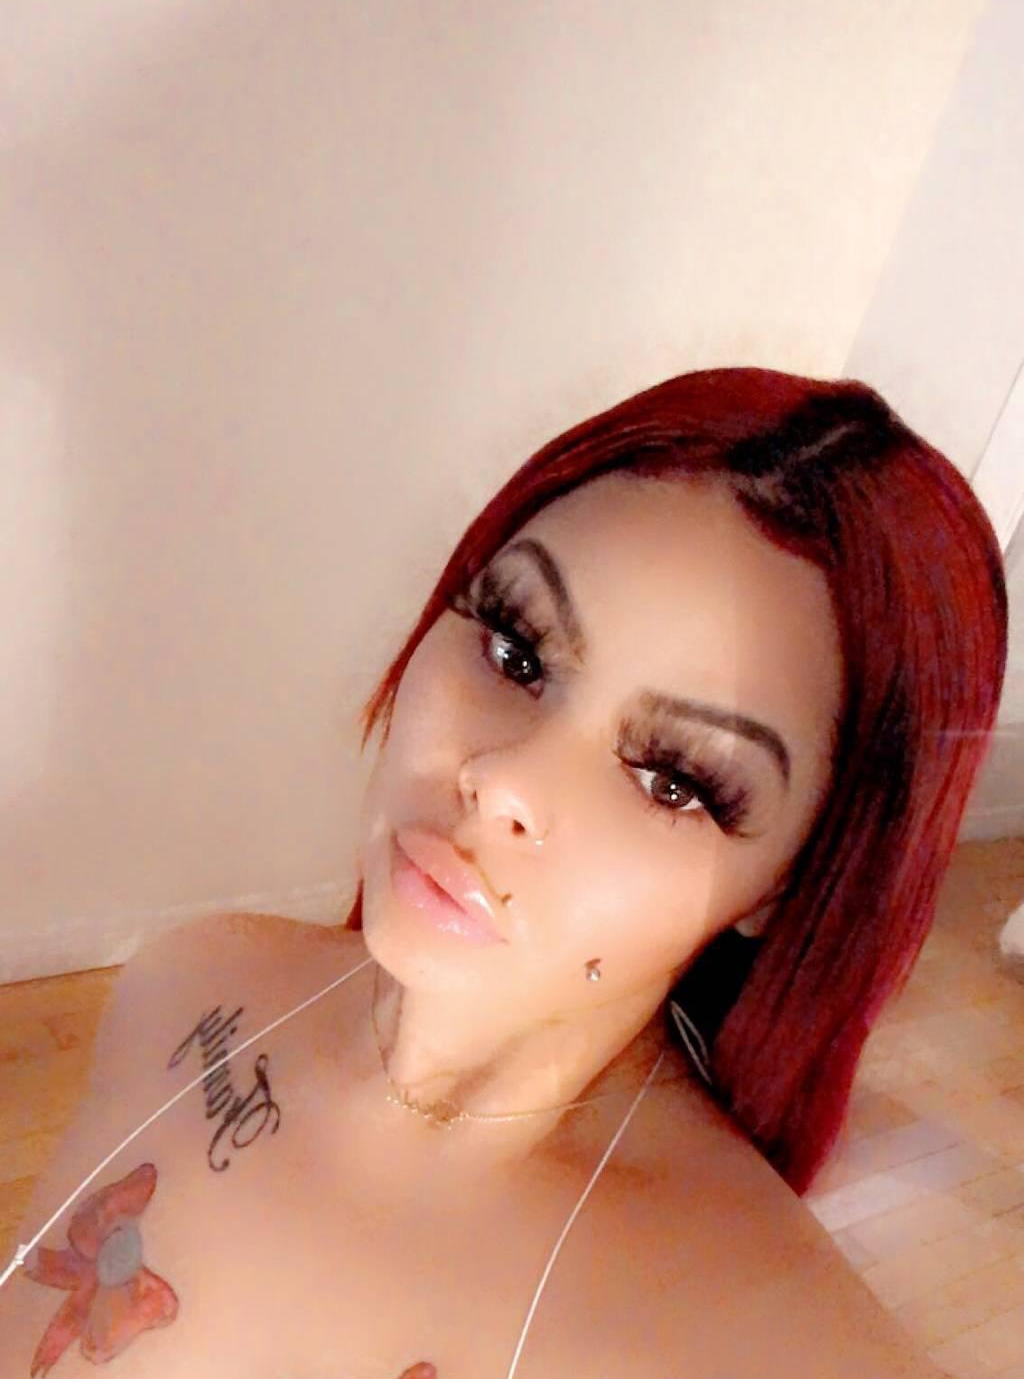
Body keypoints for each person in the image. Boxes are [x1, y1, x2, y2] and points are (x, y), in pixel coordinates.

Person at [3, 367, 1006, 1378]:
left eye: (673, 780)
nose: (504, 781)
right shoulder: (185, 982)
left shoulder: (782, 1349)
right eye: (516, 650)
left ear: (790, 887)